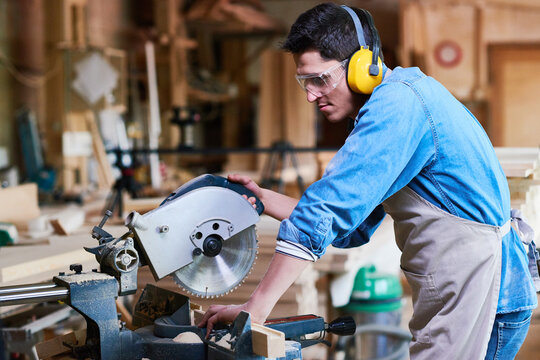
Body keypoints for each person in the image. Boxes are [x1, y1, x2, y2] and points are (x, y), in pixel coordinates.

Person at [198, 3, 539, 359]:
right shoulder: (397, 98)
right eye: (304, 81)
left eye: (320, 79)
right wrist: (265, 200)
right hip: (478, 286)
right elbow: (352, 225)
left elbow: (326, 208)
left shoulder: (398, 106)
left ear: (365, 66)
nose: (311, 94)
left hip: (483, 290)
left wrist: (255, 309)